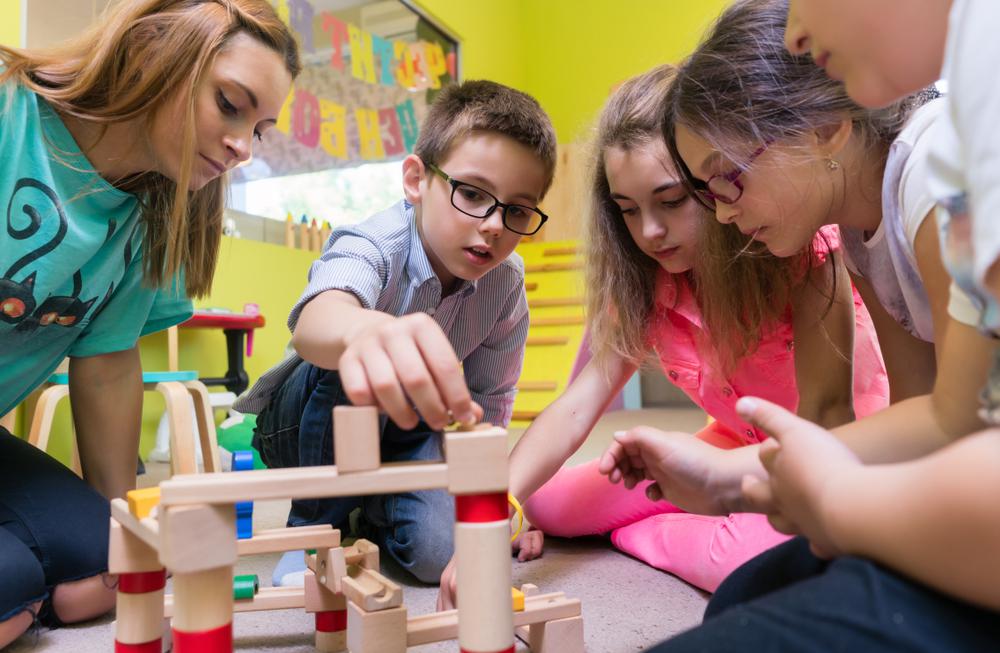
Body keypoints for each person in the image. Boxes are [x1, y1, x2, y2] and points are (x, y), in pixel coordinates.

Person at [605, 1, 1000, 650]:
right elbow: (923, 407)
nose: (724, 218)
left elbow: (961, 418)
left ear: (823, 131)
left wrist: (749, 477)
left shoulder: (932, 162)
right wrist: (745, 476)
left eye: (727, 182)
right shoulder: (859, 226)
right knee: (738, 597)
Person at [437, 63, 888, 608]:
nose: (649, 231)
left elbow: (826, 417)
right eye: (628, 210)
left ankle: (639, 536)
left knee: (754, 561)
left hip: (830, 449)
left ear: (715, 181)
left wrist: (644, 525)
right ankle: (694, 509)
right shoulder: (646, 281)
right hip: (727, 441)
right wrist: (497, 510)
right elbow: (578, 408)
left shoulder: (798, 252)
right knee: (549, 504)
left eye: (671, 201)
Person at [0, 0, 299, 645]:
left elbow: (107, 364)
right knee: (15, 581)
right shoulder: (8, 113)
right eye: (229, 104)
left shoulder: (150, 212)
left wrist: (123, 527)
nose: (244, 147)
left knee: (102, 573)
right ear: (153, 52)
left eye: (261, 128)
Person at [234, 79, 557, 587]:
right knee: (353, 359)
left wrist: (490, 509)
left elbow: (488, 407)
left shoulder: (506, 285)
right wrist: (368, 331)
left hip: (408, 432)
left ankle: (373, 505)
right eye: (472, 193)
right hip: (305, 428)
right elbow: (317, 322)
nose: (494, 224)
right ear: (415, 180)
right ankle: (314, 528)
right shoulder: (376, 241)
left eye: (516, 210)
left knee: (435, 557)